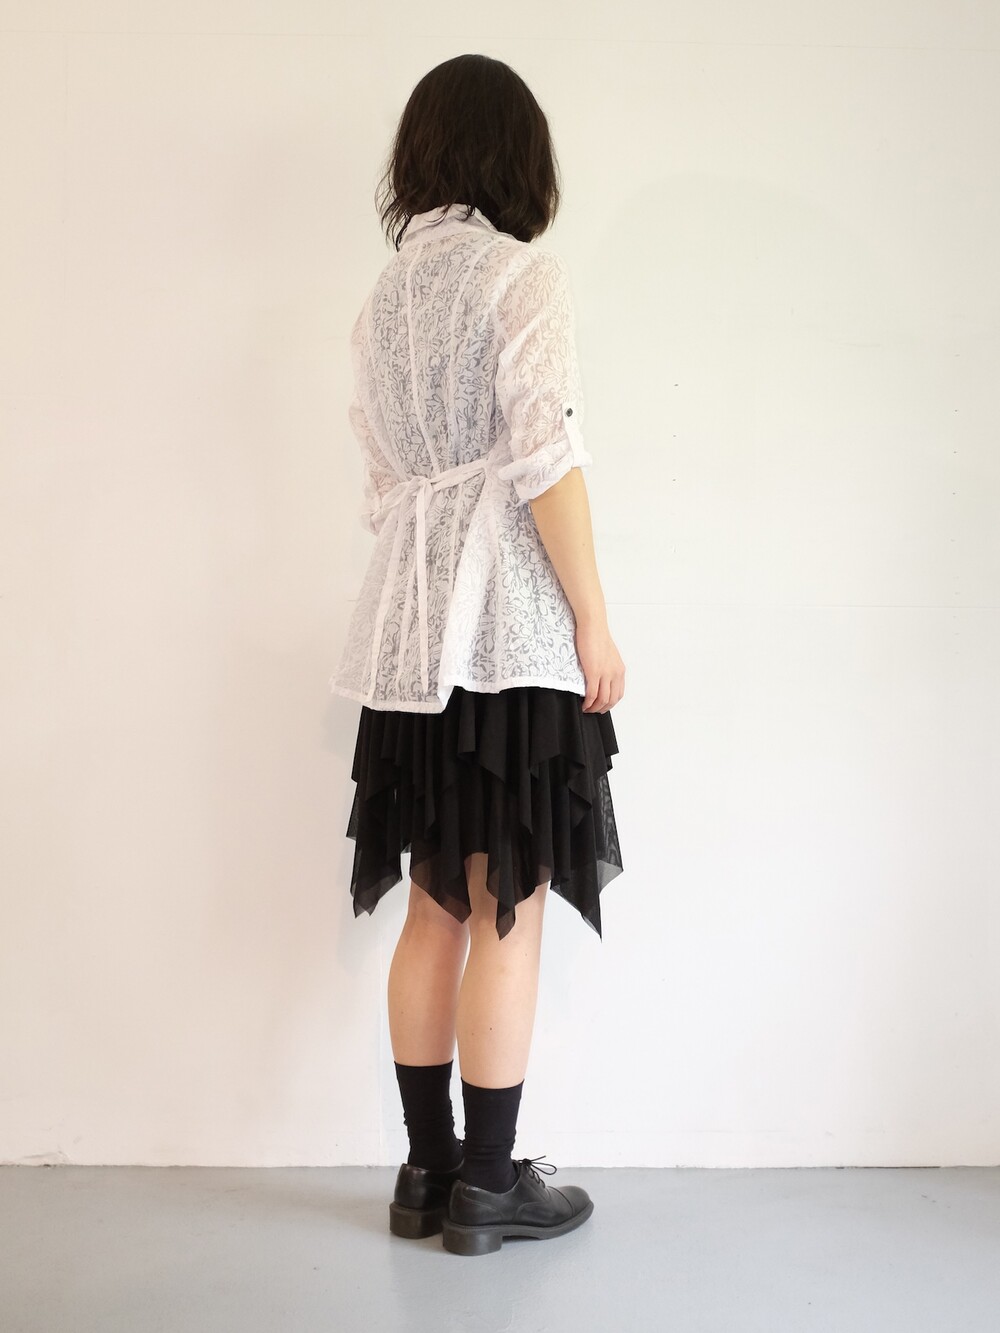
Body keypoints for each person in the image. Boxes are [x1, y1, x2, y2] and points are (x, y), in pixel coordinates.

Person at [328, 53, 626, 1256]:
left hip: (407, 644)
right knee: (509, 904)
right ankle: (493, 1185)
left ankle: (427, 1172)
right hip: (506, 640)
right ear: (518, 156)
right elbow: (545, 456)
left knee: (433, 902)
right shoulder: (519, 275)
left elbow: (383, 484)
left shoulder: (383, 303)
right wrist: (592, 617)